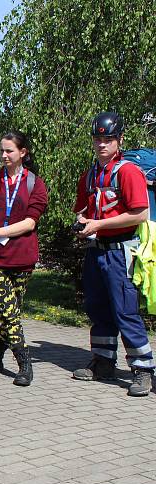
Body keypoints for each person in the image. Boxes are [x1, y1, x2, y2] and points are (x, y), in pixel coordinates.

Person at [72, 112, 153, 396]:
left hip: (121, 251)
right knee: (98, 308)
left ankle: (143, 369)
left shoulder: (128, 172)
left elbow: (141, 214)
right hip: (95, 251)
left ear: (119, 140)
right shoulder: (91, 173)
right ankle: (104, 361)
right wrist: (83, 223)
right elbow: (82, 209)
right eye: (98, 139)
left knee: (125, 310)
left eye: (108, 139)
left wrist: (100, 224)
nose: (102, 144)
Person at [0, 131, 48, 386]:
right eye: (2, 151)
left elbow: (29, 223)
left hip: (23, 259)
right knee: (10, 311)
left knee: (11, 312)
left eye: (9, 151)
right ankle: (24, 363)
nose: (4, 155)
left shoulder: (35, 184)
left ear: (22, 153)